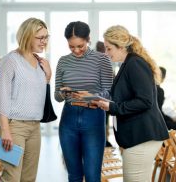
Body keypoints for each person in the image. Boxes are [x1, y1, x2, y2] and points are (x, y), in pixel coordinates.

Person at [94, 25, 169, 181]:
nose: (106, 53)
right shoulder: (128, 63)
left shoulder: (134, 63)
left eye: (109, 49)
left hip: (143, 136)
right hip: (139, 137)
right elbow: (125, 96)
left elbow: (145, 100)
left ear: (120, 46)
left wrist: (112, 107)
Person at [55, 21, 113, 182]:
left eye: (80, 46)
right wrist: (62, 92)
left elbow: (110, 93)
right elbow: (57, 97)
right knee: (74, 175)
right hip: (68, 119)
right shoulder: (63, 62)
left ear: (88, 39)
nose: (76, 50)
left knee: (93, 176)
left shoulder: (102, 60)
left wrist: (89, 96)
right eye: (71, 47)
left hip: (93, 118)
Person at [0, 18, 51, 182]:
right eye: (40, 37)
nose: (44, 41)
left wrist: (48, 77)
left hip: (34, 126)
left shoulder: (41, 63)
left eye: (46, 37)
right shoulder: (10, 60)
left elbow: (34, 93)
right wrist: (5, 131)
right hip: (12, 126)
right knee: (12, 178)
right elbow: (2, 97)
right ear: (27, 36)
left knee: (29, 178)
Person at [157, 67, 176, 136]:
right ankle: (170, 146)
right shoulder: (159, 91)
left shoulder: (152, 88)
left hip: (153, 121)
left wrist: (169, 119)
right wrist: (170, 119)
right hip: (157, 123)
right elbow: (158, 112)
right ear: (162, 78)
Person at [95, 41, 113, 148]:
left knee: (105, 121)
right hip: (97, 100)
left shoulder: (107, 63)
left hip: (105, 99)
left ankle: (105, 140)